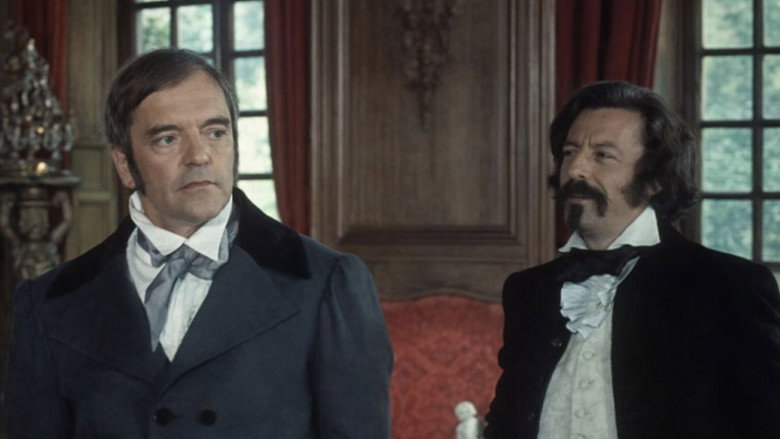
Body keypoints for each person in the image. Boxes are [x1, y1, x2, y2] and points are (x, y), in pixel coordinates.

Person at [3, 48, 393, 438]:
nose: (199, 155)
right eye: (168, 139)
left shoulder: (327, 282)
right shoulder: (48, 302)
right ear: (124, 164)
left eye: (215, 132)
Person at [483, 81, 780, 438]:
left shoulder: (730, 286)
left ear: (655, 178)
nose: (575, 170)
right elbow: (505, 423)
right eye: (569, 152)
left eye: (602, 155)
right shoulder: (528, 290)